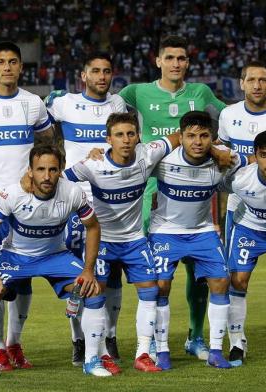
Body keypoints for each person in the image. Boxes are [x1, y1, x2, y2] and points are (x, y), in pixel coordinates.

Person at [119, 35, 226, 360]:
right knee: (154, 276)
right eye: (170, 58)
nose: (176, 63)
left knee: (200, 273)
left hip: (193, 183)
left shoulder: (201, 93)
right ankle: (150, 340)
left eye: (181, 58)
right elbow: (107, 115)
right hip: (153, 185)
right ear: (158, 61)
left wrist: (220, 148)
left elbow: (232, 116)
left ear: (188, 63)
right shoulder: (136, 91)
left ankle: (195, 336)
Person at [0, 144, 111, 379]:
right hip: (15, 257)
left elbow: (93, 226)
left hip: (55, 256)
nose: (46, 176)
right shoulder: (13, 194)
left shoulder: (73, 192)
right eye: (40, 169)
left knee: (93, 291)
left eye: (52, 169)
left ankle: (92, 360)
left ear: (61, 170)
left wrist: (88, 270)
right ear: (30, 171)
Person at [64, 112, 183, 372]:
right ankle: (99, 355)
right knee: (96, 294)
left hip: (134, 240)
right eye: (119, 135)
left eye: (131, 133)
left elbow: (179, 137)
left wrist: (217, 148)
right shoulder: (92, 165)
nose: (126, 140)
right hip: (102, 241)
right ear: (108, 139)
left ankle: (142, 353)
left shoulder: (147, 153)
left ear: (138, 136)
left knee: (151, 291)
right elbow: (58, 181)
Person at [0, 41, 53, 371]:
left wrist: (34, 177)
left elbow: (47, 145)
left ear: (20, 67)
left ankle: (14, 342)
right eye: (0, 62)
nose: (6, 67)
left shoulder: (33, 104)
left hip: (26, 205)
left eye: (13, 62)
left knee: (24, 278)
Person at [148, 111, 246, 370]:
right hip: (166, 230)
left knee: (221, 281)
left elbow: (249, 161)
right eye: (191, 136)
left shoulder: (222, 160)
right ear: (181, 137)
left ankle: (215, 351)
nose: (198, 142)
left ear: (212, 139)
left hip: (203, 231)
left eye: (204, 136)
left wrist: (220, 152)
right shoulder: (164, 160)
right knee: (160, 286)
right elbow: (132, 161)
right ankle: (162, 350)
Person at [46, 52, 126, 367]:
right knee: (79, 276)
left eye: (107, 71)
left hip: (113, 200)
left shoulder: (119, 105)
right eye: (96, 71)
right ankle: (78, 340)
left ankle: (110, 335)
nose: (102, 76)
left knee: (113, 275)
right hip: (76, 202)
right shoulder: (62, 103)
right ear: (84, 75)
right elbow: (40, 129)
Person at [217, 61, 266, 363]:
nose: (258, 85)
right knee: (238, 280)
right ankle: (238, 341)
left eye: (263, 80)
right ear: (242, 83)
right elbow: (222, 162)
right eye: (253, 80)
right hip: (244, 209)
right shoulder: (228, 115)